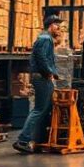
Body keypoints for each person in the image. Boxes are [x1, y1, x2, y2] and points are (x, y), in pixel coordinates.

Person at [14, 15, 64, 153]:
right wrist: (51, 72)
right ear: (50, 25)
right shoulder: (45, 39)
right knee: (39, 109)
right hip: (43, 78)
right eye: (56, 24)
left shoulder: (45, 38)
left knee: (45, 108)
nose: (58, 27)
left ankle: (38, 138)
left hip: (42, 77)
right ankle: (23, 139)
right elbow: (41, 57)